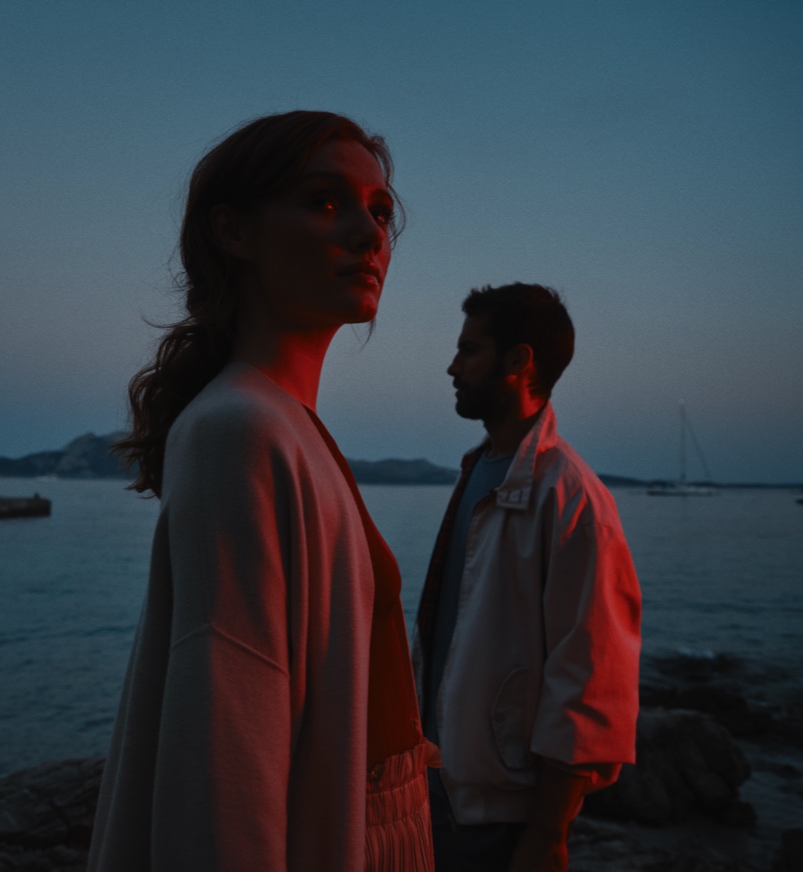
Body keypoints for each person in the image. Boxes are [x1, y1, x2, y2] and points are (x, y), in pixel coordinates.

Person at [88, 111, 437, 872]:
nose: (370, 233)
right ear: (233, 232)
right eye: (325, 201)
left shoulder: (284, 427)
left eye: (380, 212)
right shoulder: (241, 431)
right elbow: (226, 768)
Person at [412, 283, 641, 871]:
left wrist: (548, 833)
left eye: (469, 350)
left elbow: (590, 674)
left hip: (502, 815)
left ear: (518, 362)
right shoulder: (478, 470)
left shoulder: (571, 496)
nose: (452, 366)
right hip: (432, 790)